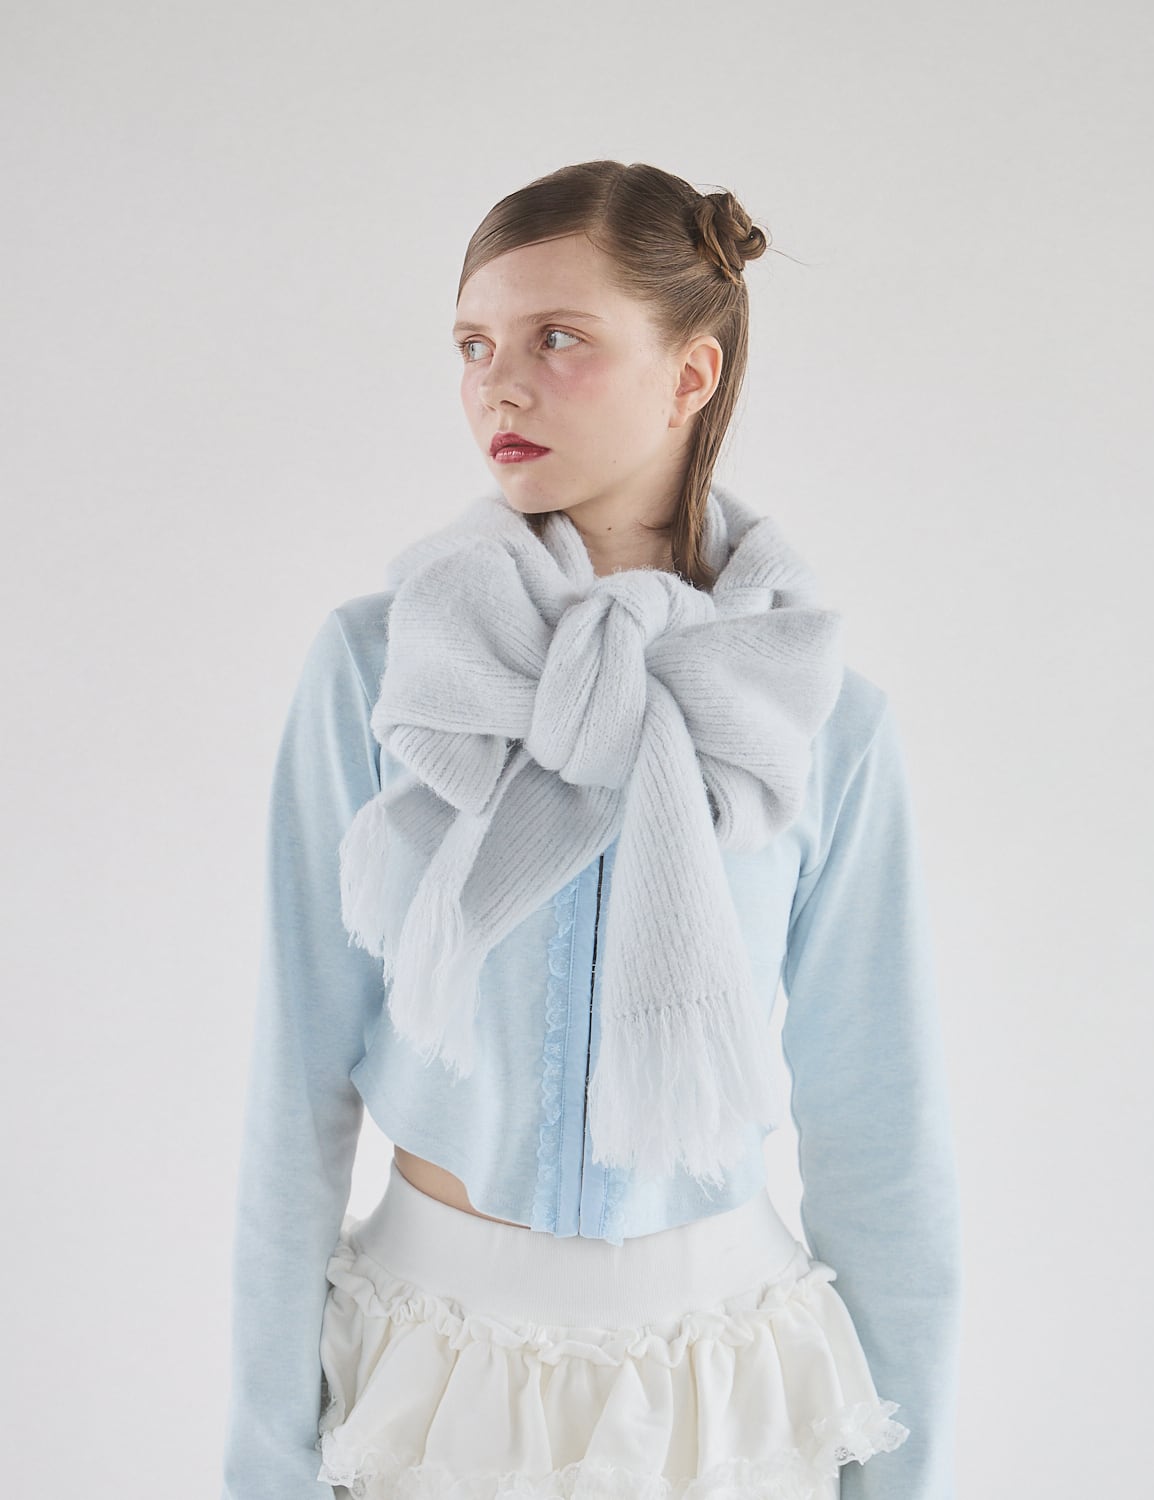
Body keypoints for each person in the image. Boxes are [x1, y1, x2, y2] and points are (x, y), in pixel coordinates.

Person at [220, 159, 963, 1500]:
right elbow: (295, 1084)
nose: (498, 387)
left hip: (723, 1397)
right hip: (432, 1380)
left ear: (692, 375)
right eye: (473, 345)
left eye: (558, 337)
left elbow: (881, 1130)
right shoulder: (383, 671)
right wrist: (265, 1462)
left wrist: (906, 1484)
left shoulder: (819, 717)